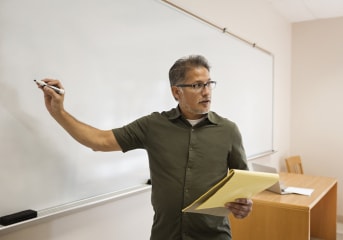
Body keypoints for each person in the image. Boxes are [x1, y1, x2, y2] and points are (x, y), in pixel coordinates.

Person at [36, 55, 252, 240]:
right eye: (197, 85)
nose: (206, 92)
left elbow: (243, 187)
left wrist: (245, 204)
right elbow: (99, 141)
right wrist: (59, 112)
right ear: (176, 92)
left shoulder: (228, 130)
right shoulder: (153, 126)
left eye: (209, 83)